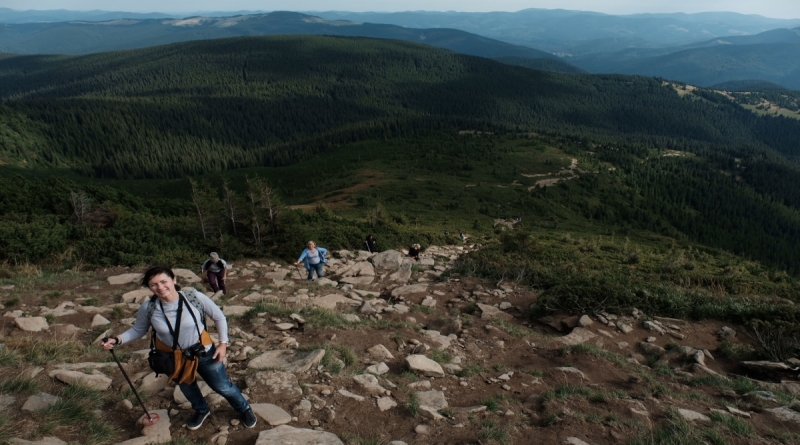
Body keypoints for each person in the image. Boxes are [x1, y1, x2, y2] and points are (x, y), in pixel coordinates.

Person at [101, 266, 256, 431]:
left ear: (174, 279)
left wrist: (223, 344)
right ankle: (202, 410)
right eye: (153, 284)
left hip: (203, 350)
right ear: (149, 287)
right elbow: (139, 329)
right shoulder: (149, 307)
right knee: (187, 387)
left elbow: (218, 317)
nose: (160, 287)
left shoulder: (194, 297)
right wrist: (117, 340)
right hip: (172, 357)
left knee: (222, 386)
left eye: (163, 281)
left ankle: (244, 408)